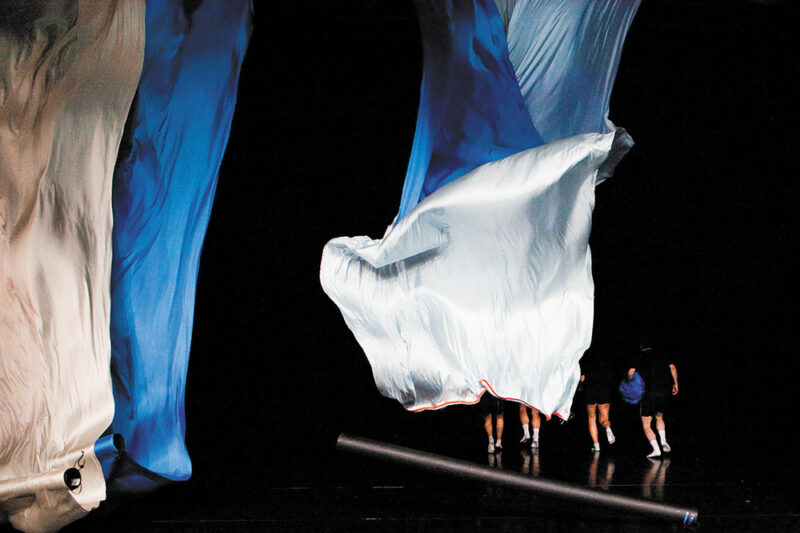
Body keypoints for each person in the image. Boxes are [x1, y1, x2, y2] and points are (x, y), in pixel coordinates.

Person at [627, 337, 679, 457]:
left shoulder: (639, 356)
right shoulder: (662, 354)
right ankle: (663, 440)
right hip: (664, 391)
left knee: (646, 424)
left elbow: (630, 373)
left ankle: (656, 449)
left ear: (641, 347)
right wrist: (675, 383)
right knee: (659, 417)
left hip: (648, 393)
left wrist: (631, 383)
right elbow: (673, 367)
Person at [579, 349, 617, 452]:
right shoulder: (607, 359)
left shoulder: (585, 359)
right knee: (604, 418)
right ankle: (607, 428)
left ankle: (596, 445)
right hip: (604, 390)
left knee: (592, 418)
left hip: (590, 390)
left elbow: (582, 378)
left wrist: (580, 386)